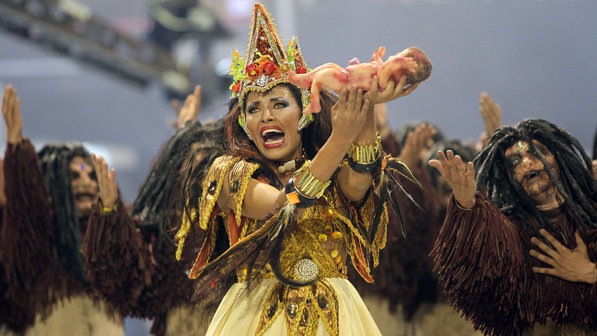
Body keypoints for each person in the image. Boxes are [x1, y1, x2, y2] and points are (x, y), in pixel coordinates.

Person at [170, 4, 426, 336]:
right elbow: (282, 204)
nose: (266, 117)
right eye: (254, 109)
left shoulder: (329, 168)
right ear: (245, 125)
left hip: (334, 316)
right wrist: (341, 137)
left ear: (304, 113)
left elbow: (360, 183)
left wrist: (365, 100)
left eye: (279, 104)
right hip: (256, 318)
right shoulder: (227, 173)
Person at [82, 86, 230, 336]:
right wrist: (108, 214)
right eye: (192, 166)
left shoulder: (245, 225)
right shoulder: (166, 233)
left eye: (208, 166)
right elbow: (124, 274)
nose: (201, 177)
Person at [429, 118, 597, 335]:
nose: (526, 163)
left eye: (537, 153)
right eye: (515, 161)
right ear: (508, 176)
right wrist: (466, 204)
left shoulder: (591, 213)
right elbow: (472, 278)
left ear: (561, 157)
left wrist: (590, 273)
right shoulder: (510, 232)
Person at [0, 85, 123, 335]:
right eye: (73, 176)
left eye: (91, 175)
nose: (86, 182)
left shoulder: (110, 255)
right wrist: (17, 156)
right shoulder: (33, 250)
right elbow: (25, 225)